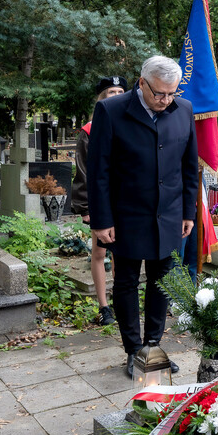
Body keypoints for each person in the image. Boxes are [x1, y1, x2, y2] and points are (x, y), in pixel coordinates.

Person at [87, 56, 198, 379]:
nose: (165, 101)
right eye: (159, 94)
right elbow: (99, 172)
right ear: (141, 83)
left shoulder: (184, 110)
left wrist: (187, 210)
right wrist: (101, 220)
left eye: (171, 94)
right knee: (126, 281)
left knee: (162, 282)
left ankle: (153, 346)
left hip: (169, 215)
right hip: (126, 215)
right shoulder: (111, 111)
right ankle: (133, 349)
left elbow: (189, 167)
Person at [71, 76, 126, 326]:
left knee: (122, 254)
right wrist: (85, 207)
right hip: (101, 201)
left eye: (120, 91)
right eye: (111, 91)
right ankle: (104, 306)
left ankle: (120, 300)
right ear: (101, 97)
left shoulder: (129, 124)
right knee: (99, 251)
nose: (116, 95)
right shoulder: (89, 130)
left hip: (126, 200)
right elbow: (83, 171)